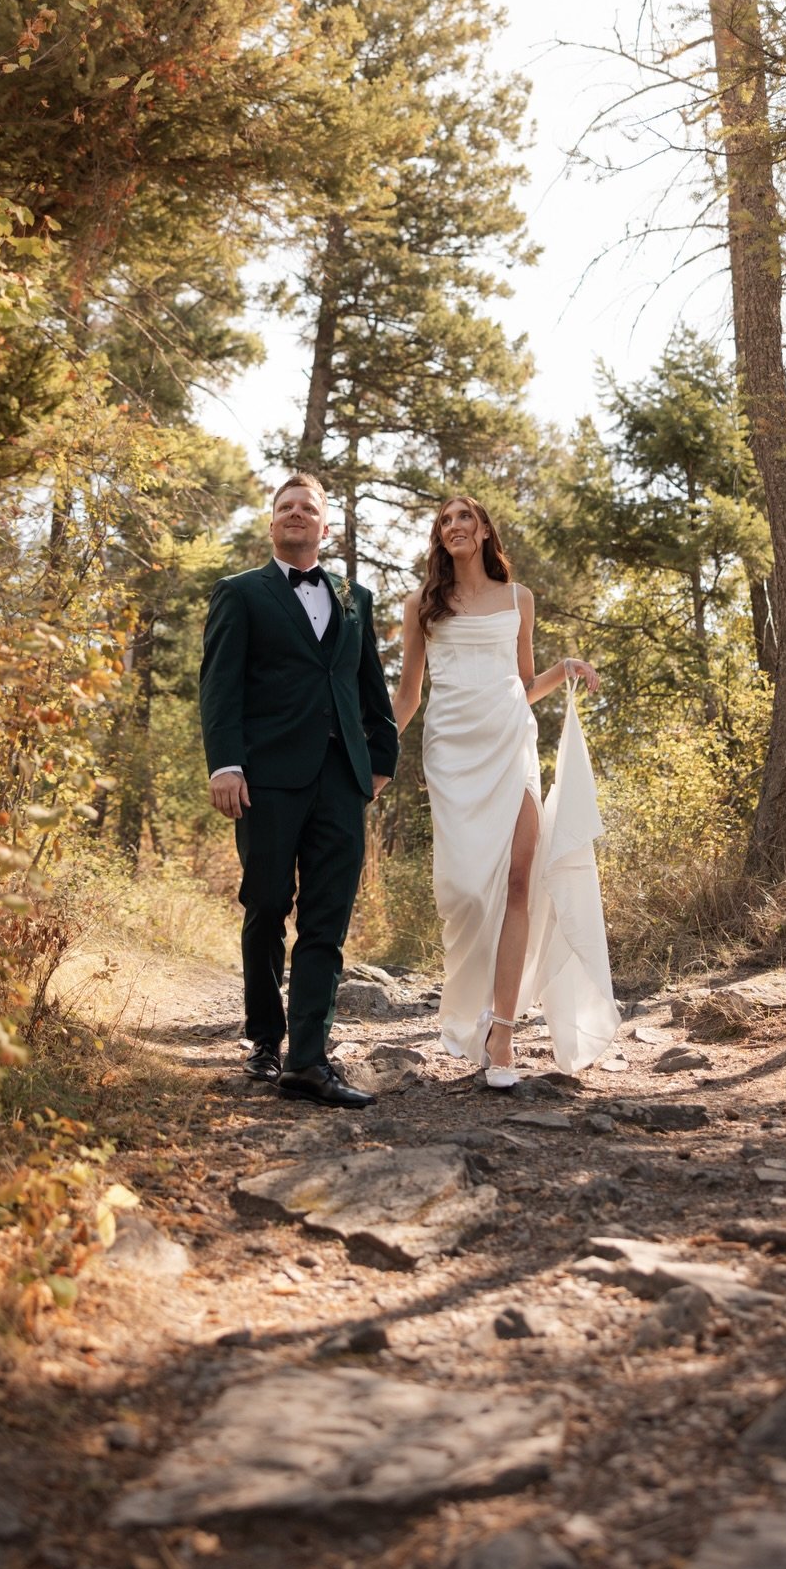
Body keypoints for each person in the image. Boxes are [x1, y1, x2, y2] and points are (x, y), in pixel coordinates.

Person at [392, 495, 618, 1089]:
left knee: (520, 882)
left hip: (511, 746)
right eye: (445, 521)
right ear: (439, 538)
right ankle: (468, 1008)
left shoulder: (520, 599)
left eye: (465, 517)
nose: (455, 526)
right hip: (452, 753)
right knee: (466, 892)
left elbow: (521, 685)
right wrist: (373, 756)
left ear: (485, 529)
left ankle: (503, 1033)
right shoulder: (423, 605)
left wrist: (562, 668)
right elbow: (409, 695)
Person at [200, 473, 398, 1109]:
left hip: (342, 782)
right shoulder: (239, 594)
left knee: (327, 918)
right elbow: (220, 687)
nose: (295, 514)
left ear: (325, 527)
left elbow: (369, 684)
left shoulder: (353, 597)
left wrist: (382, 758)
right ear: (272, 523)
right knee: (265, 906)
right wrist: (225, 764)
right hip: (265, 780)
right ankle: (264, 1035)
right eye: (285, 507)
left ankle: (308, 1060)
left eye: (306, 508)